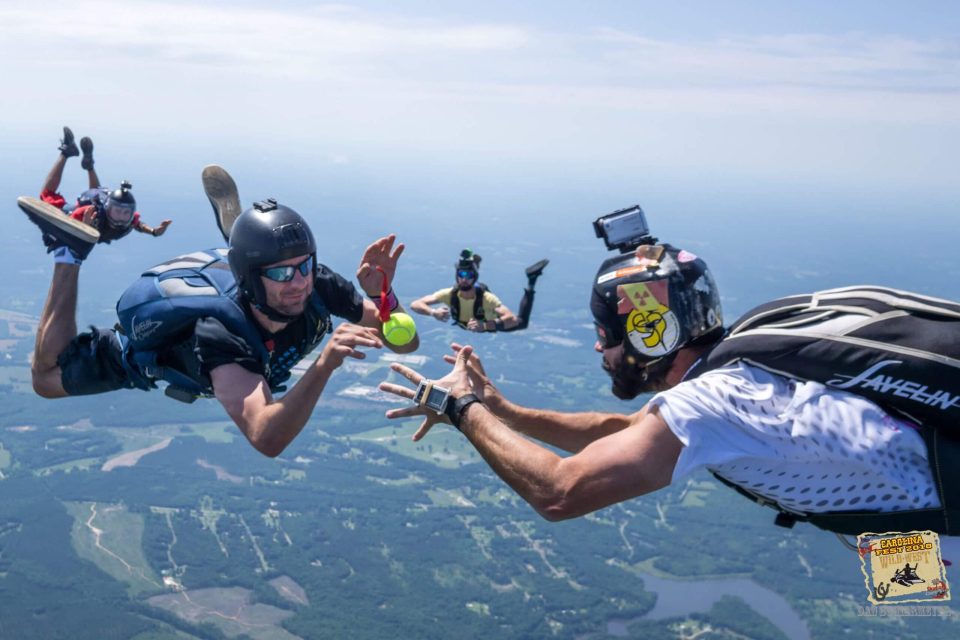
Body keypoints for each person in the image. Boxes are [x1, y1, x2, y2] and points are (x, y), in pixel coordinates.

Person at [380, 230, 958, 536]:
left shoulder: (716, 402)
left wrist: (459, 408)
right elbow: (627, 429)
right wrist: (502, 409)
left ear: (649, 336)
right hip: (927, 524)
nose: (599, 348)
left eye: (606, 334)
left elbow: (561, 492)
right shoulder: (746, 364)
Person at [24, 170, 418, 458]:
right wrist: (324, 365)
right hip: (145, 355)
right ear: (251, 276)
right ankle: (69, 255)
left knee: (287, 280)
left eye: (304, 265)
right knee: (45, 377)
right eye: (280, 272)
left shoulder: (319, 284)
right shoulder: (220, 336)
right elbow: (266, 437)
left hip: (247, 296)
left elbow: (404, 342)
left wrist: (383, 296)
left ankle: (243, 239)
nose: (298, 282)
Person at [35, 126, 171, 259]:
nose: (120, 217)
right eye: (117, 211)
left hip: (98, 198)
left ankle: (89, 166)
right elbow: (68, 226)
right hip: (88, 208)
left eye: (125, 213)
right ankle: (66, 153)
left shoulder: (129, 219)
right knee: (47, 197)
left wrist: (153, 231)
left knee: (96, 193)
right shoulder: (89, 212)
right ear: (108, 207)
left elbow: (138, 225)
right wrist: (59, 235)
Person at [410, 249, 549, 332]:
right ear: (457, 276)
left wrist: (485, 326)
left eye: (468, 275)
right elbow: (415, 304)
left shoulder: (486, 298)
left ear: (474, 277)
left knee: (521, 323)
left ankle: (531, 281)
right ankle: (532, 280)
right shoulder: (448, 294)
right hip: (469, 325)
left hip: (487, 323)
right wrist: (433, 312)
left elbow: (511, 319)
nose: (464, 279)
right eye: (461, 275)